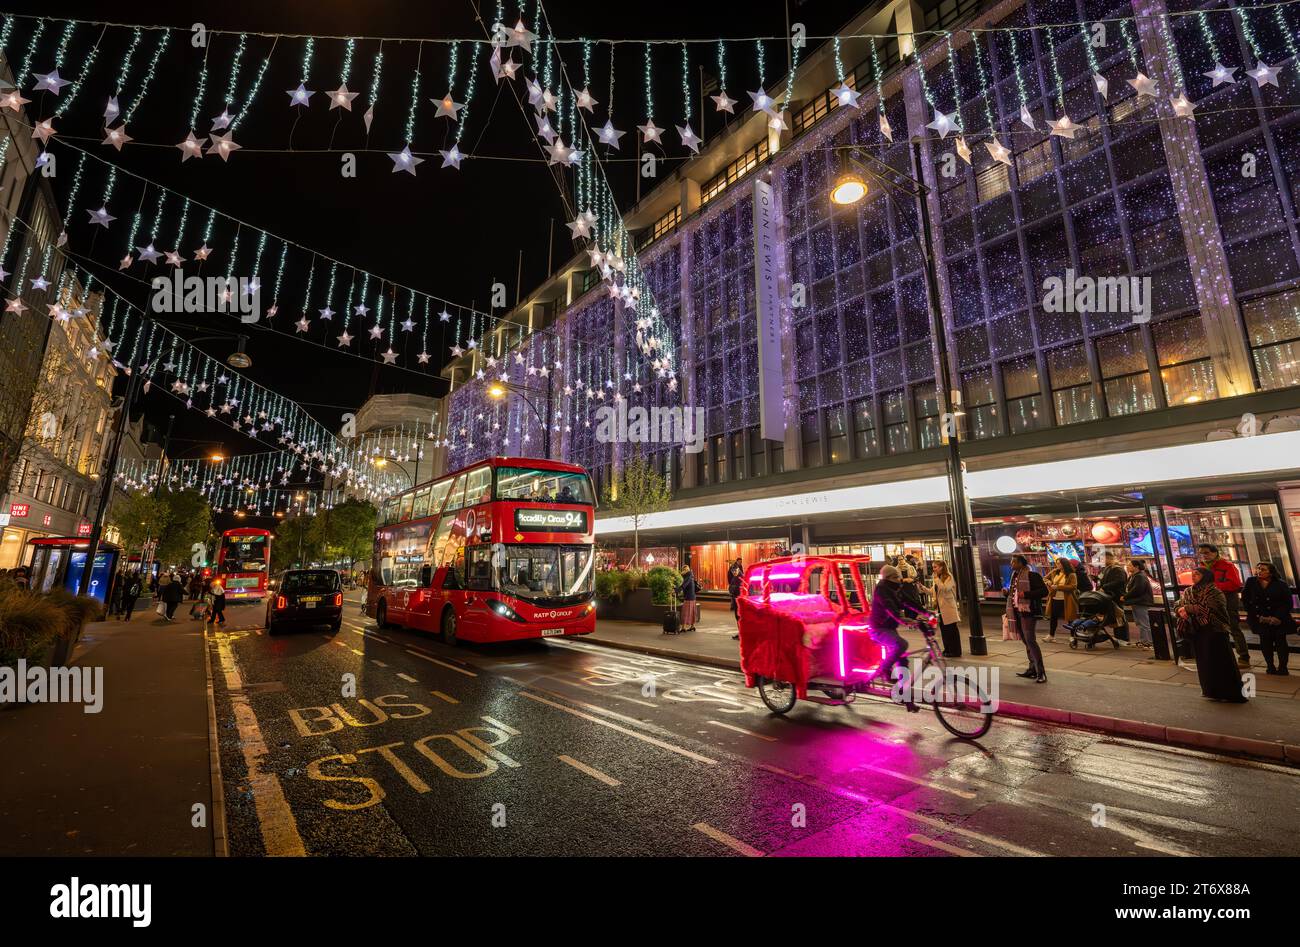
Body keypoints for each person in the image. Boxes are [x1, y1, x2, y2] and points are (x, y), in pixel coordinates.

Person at [1176, 567, 1247, 702]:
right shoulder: (1188, 591)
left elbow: (1209, 608)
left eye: (1197, 574)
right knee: (1205, 662)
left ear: (1206, 576)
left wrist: (1187, 608)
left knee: (1221, 661)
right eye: (1193, 574)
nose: (1194, 576)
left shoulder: (1214, 591)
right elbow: (1179, 604)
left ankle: (1230, 692)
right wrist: (1180, 609)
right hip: (1198, 630)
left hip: (1215, 629)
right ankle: (1211, 691)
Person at [868, 564, 932, 694]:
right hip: (878, 628)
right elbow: (890, 608)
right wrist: (908, 621)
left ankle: (905, 690)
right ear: (889, 578)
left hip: (890, 627)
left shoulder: (896, 588)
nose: (900, 579)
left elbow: (910, 602)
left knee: (902, 658)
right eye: (897, 577)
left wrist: (927, 613)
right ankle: (884, 670)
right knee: (901, 644)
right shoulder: (882, 589)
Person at [1199, 543, 1250, 667]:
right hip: (1210, 602)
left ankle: (1243, 657)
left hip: (1228, 601)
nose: (1204, 555)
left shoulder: (1227, 565)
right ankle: (1223, 656)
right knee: (1215, 629)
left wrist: (1213, 588)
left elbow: (1234, 584)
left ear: (1215, 552)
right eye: (1202, 553)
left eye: (1207, 552)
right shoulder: (1202, 568)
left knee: (1233, 628)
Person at [1242, 562, 1293, 675]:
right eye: (1258, 568)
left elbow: (1287, 603)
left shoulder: (1280, 584)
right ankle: (1270, 666)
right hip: (1259, 618)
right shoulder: (1251, 582)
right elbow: (1245, 599)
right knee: (1265, 642)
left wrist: (1277, 617)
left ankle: (1283, 668)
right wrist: (1256, 615)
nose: (1259, 571)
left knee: (1281, 642)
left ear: (1271, 572)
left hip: (1278, 619)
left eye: (1263, 569)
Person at [1005, 554, 1049, 682]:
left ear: (1021, 563)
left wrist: (1027, 594)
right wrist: (1007, 593)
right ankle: (1032, 669)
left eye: (1013, 562)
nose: (1011, 564)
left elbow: (1044, 592)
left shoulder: (1032, 575)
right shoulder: (1014, 576)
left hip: (1028, 612)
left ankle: (1041, 672)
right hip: (1016, 612)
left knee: (1030, 640)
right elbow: (1015, 595)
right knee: (1025, 640)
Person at [1123, 559, 1156, 649]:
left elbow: (1137, 589)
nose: (1128, 567)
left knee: (1144, 623)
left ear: (1136, 567)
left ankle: (1148, 642)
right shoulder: (1134, 576)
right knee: (1139, 622)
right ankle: (1144, 640)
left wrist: (1125, 597)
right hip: (1137, 602)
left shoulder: (1140, 576)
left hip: (1141, 602)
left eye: (1130, 565)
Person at [932, 560, 962, 658]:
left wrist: (936, 580)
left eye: (935, 567)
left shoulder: (949, 577)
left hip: (949, 608)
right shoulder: (938, 578)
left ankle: (955, 651)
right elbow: (933, 592)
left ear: (941, 567)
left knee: (951, 630)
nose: (934, 569)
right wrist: (922, 587)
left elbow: (945, 588)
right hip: (940, 608)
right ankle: (947, 649)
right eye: (933, 567)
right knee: (944, 631)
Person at [1045, 557, 1078, 641]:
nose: (1057, 565)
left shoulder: (1071, 574)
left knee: (1070, 618)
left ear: (1064, 564)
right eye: (1057, 563)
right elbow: (1044, 578)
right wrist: (1048, 582)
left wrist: (1058, 587)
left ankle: (1072, 636)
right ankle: (1051, 635)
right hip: (1055, 598)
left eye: (1059, 563)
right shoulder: (1054, 572)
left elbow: (1073, 586)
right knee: (1053, 617)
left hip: (1067, 599)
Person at [1098, 552, 1128, 639]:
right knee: (1115, 619)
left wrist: (1105, 587)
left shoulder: (1117, 569)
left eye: (1103, 559)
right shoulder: (1106, 569)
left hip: (1117, 597)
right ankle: (1118, 637)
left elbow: (1120, 581)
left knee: (1120, 617)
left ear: (1109, 558)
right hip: (1109, 597)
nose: (1101, 561)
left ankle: (1124, 638)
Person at [727, 558, 744, 641]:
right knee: (737, 617)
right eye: (732, 571)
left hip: (740, 601)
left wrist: (732, 589)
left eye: (735, 570)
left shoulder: (741, 578)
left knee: (740, 617)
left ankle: (742, 633)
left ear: (738, 569)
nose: (733, 572)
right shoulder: (735, 577)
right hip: (736, 600)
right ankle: (740, 632)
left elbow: (736, 589)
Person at [678, 566, 698, 633]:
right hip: (692, 597)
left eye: (683, 570)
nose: (682, 571)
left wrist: (676, 590)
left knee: (685, 612)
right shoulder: (691, 575)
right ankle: (692, 626)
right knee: (692, 611)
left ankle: (683, 627)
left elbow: (684, 585)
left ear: (685, 570)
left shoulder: (688, 576)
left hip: (688, 597)